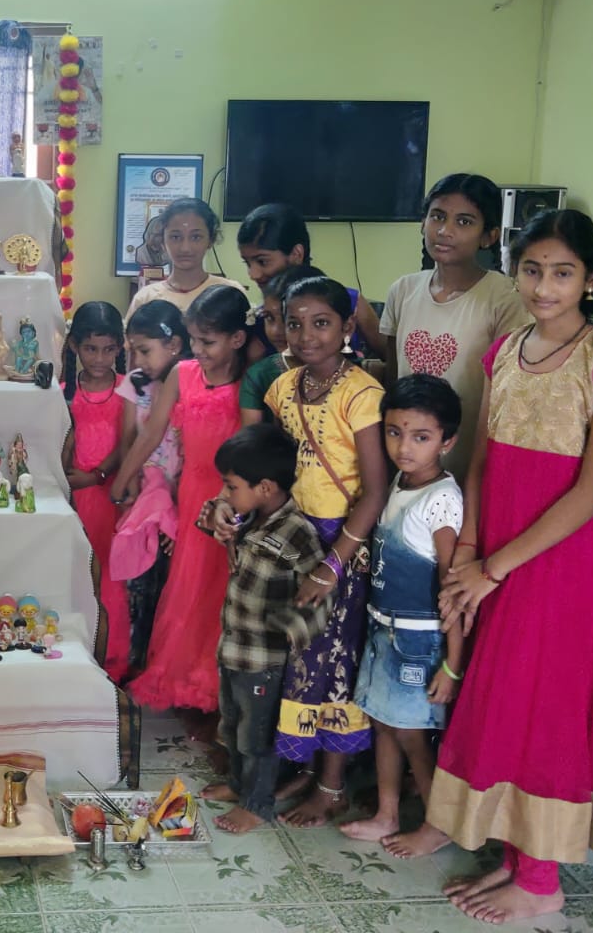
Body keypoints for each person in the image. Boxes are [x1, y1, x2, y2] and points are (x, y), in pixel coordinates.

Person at [393, 210, 593, 928]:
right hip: (495, 552)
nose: (544, 286)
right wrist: (469, 551)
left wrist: (497, 567)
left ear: (592, 279)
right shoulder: (504, 350)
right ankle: (510, 849)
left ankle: (541, 881)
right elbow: (482, 461)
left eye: (563, 272)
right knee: (499, 693)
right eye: (531, 269)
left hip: (557, 563)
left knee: (545, 701)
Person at [263, 276, 389, 828]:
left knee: (335, 662)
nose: (306, 335)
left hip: (342, 545)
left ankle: (332, 786)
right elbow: (276, 465)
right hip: (294, 538)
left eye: (321, 323)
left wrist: (333, 565)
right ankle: (303, 765)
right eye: (295, 323)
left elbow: (376, 490)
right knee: (298, 660)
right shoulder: (282, 387)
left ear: (347, 327)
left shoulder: (361, 393)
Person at [112, 285, 249, 724]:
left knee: (220, 591)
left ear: (237, 339)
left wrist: (232, 501)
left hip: (230, 498)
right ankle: (184, 678)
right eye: (193, 341)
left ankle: (214, 686)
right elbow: (151, 433)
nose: (198, 351)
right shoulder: (182, 375)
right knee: (187, 588)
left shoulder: (249, 383)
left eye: (208, 342)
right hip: (191, 494)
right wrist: (122, 481)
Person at [339, 374, 465, 847]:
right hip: (383, 630)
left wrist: (452, 666)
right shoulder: (399, 482)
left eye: (421, 437)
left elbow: (453, 590)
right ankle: (387, 814)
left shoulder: (442, 502)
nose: (404, 447)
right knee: (383, 724)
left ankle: (439, 824)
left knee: (412, 735)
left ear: (447, 441)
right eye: (394, 432)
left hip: (418, 641)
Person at [199, 426, 328, 833]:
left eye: (231, 486)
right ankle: (240, 786)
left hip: (264, 660)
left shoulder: (297, 532)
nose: (226, 493)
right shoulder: (248, 514)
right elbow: (210, 518)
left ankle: (256, 805)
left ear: (266, 487)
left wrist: (287, 626)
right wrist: (219, 509)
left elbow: (319, 598)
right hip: (233, 650)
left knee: (257, 738)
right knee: (232, 726)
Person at [379, 173, 529, 480]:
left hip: (469, 468)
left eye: (464, 222)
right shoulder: (403, 290)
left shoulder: (505, 297)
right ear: (423, 223)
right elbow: (394, 379)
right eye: (437, 216)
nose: (445, 230)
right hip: (407, 465)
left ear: (488, 236)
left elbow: (507, 397)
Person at [110, 301, 189, 675]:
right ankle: (134, 660)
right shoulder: (136, 383)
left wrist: (182, 508)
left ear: (173, 345)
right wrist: (127, 485)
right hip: (143, 495)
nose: (138, 360)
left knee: (171, 583)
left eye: (145, 350)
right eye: (133, 351)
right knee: (138, 579)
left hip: (180, 497)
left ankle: (162, 663)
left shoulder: (191, 382)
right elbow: (130, 437)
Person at [60, 301, 130, 681]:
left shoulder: (127, 390)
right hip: (73, 498)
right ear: (74, 346)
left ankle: (112, 656)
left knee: (108, 575)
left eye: (109, 349)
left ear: (120, 347)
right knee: (75, 571)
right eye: (90, 348)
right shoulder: (63, 392)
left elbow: (129, 442)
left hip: (110, 497)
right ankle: (75, 651)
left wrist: (97, 475)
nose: (100, 358)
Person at [236, 202, 386, 360]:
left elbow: (391, 360)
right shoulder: (263, 318)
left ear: (296, 254)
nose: (253, 274)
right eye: (247, 263)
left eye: (262, 261)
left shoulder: (351, 301)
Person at [125, 197, 244, 321]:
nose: (185, 248)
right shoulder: (146, 298)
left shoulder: (230, 293)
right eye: (175, 237)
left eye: (196, 237)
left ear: (210, 240)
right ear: (162, 241)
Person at [239, 265, 325, 428]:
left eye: (288, 319)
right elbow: (251, 439)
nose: (276, 330)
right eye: (269, 318)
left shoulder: (350, 373)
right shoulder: (259, 376)